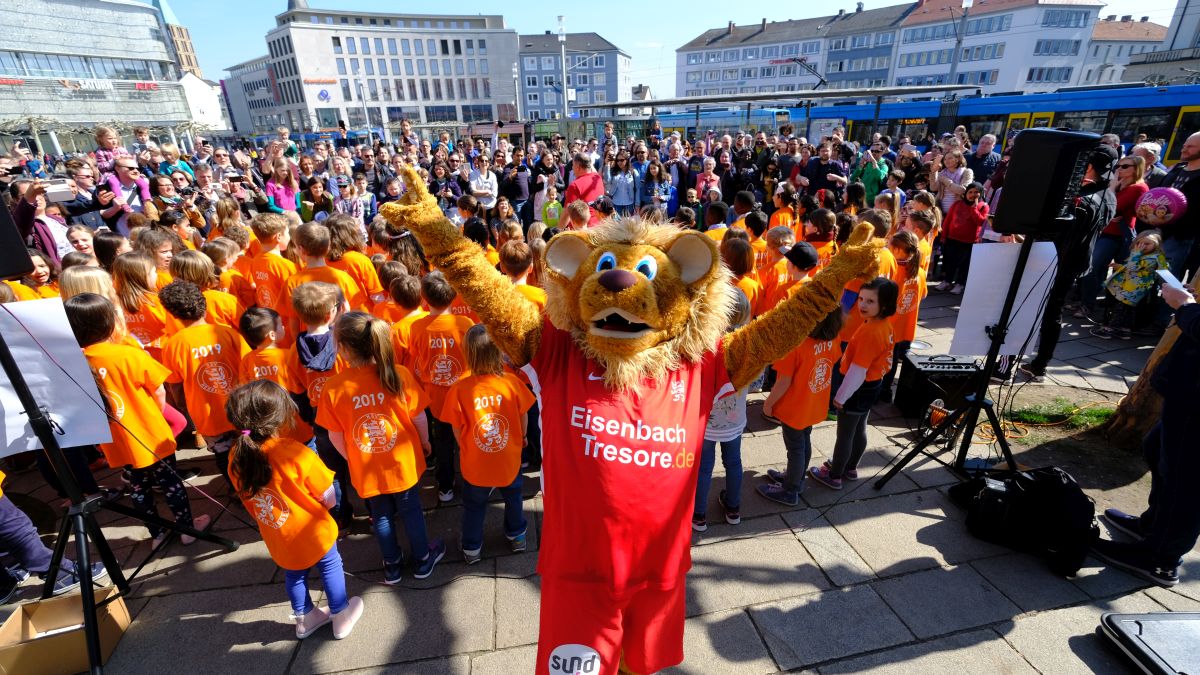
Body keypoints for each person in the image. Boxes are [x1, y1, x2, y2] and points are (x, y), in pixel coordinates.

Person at [64, 293, 210, 545]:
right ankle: (187, 530)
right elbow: (159, 390)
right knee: (171, 483)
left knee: (139, 488)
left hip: (116, 438)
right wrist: (154, 414)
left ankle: (157, 533)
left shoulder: (74, 363)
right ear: (110, 322)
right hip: (150, 434)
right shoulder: (127, 354)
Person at [225, 380, 364, 639]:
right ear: (279, 418)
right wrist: (328, 507)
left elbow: (248, 499)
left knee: (294, 575)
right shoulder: (293, 451)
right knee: (330, 564)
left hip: (278, 533)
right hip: (313, 530)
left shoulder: (236, 456)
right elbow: (328, 494)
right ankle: (341, 614)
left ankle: (304, 619)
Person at [317, 311, 445, 582]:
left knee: (381, 514)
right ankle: (423, 559)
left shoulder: (334, 387)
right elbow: (419, 417)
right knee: (411, 510)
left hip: (366, 464)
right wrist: (425, 442)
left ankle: (392, 564)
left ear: (343, 348)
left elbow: (334, 434)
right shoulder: (399, 374)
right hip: (403, 462)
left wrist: (351, 458)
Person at [1092, 282, 1200, 587]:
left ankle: (1161, 558)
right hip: (1187, 388)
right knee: (1158, 449)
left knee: (1186, 480)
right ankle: (1155, 527)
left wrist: (1187, 307)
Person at [1021, 144, 1117, 382]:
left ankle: (1034, 362)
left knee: (1043, 311)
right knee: (1053, 311)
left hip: (1057, 261)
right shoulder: (1109, 197)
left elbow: (1061, 232)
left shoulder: (1084, 200)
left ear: (1090, 166)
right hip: (1074, 262)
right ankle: (1040, 363)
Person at [440, 324, 535, 562]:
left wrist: (463, 447)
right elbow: (524, 415)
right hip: (509, 458)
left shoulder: (459, 388)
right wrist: (522, 437)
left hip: (476, 461)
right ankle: (518, 536)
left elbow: (456, 426)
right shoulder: (512, 383)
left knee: (474, 505)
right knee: (514, 498)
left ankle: (472, 548)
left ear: (467, 353)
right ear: (498, 351)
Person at [159, 280, 250, 484]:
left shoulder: (174, 345)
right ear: (204, 305)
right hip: (241, 410)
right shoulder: (227, 332)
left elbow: (174, 383)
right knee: (250, 447)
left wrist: (184, 405)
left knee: (223, 456)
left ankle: (236, 490)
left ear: (172, 314)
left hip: (207, 415)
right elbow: (248, 365)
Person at [810, 277, 898, 490]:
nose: (862, 305)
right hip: (872, 385)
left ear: (884, 305)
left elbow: (858, 371)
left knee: (845, 435)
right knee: (859, 429)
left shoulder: (870, 332)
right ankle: (850, 467)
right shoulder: (883, 325)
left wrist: (840, 397)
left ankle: (834, 475)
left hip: (857, 388)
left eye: (870, 301)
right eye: (861, 299)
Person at [758, 308, 843, 506]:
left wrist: (768, 404)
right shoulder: (833, 338)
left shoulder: (796, 344)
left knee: (795, 448)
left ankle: (790, 490)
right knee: (804, 442)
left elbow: (783, 382)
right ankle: (796, 479)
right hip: (814, 403)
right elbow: (833, 360)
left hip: (794, 407)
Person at [408, 272, 475, 501]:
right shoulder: (465, 324)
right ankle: (474, 480)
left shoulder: (417, 328)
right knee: (467, 437)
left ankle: (445, 485)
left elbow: (417, 357)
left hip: (436, 396)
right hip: (465, 394)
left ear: (424, 298)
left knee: (443, 441)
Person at [692, 290, 752, 531]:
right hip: (735, 420)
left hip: (707, 420)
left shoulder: (706, 345)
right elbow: (757, 381)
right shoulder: (748, 345)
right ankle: (733, 508)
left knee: (704, 468)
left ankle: (699, 515)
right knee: (734, 463)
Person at [1077, 155, 1149, 318]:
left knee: (1094, 267)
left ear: (1136, 169)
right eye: (1118, 166)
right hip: (1103, 231)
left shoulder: (1138, 188)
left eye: (1125, 166)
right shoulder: (1118, 185)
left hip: (1118, 236)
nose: (1119, 169)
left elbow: (1112, 207)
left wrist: (1112, 188)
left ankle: (1089, 306)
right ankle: (1087, 302)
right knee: (1095, 269)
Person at [1091, 230, 1169, 340]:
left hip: (1133, 289)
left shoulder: (1152, 258)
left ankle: (1109, 329)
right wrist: (1121, 266)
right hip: (1131, 287)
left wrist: (1136, 254)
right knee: (1128, 310)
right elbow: (1133, 268)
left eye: (1147, 244)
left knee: (1120, 309)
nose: (1142, 246)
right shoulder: (1148, 255)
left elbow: (1133, 267)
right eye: (1139, 243)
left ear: (1156, 245)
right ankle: (1125, 330)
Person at [879, 232, 926, 402]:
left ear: (898, 250)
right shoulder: (920, 272)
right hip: (906, 326)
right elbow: (923, 295)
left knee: (885, 363)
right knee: (895, 360)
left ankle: (881, 392)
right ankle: (888, 391)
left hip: (890, 327)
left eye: (890, 246)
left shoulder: (894, 272)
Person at [936, 182, 989, 295]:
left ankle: (960, 283)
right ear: (965, 193)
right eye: (970, 192)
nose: (972, 195)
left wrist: (974, 208)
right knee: (950, 261)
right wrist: (944, 236)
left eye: (976, 193)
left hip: (969, 241)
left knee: (964, 264)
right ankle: (947, 281)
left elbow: (980, 222)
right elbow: (948, 220)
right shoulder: (957, 204)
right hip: (953, 238)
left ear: (981, 194)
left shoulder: (983, 206)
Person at [564, 152, 605, 226]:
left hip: (582, 230)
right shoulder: (598, 178)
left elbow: (567, 213)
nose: (572, 168)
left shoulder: (574, 185)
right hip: (599, 226)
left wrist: (558, 231)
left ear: (578, 166)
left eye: (573, 165)